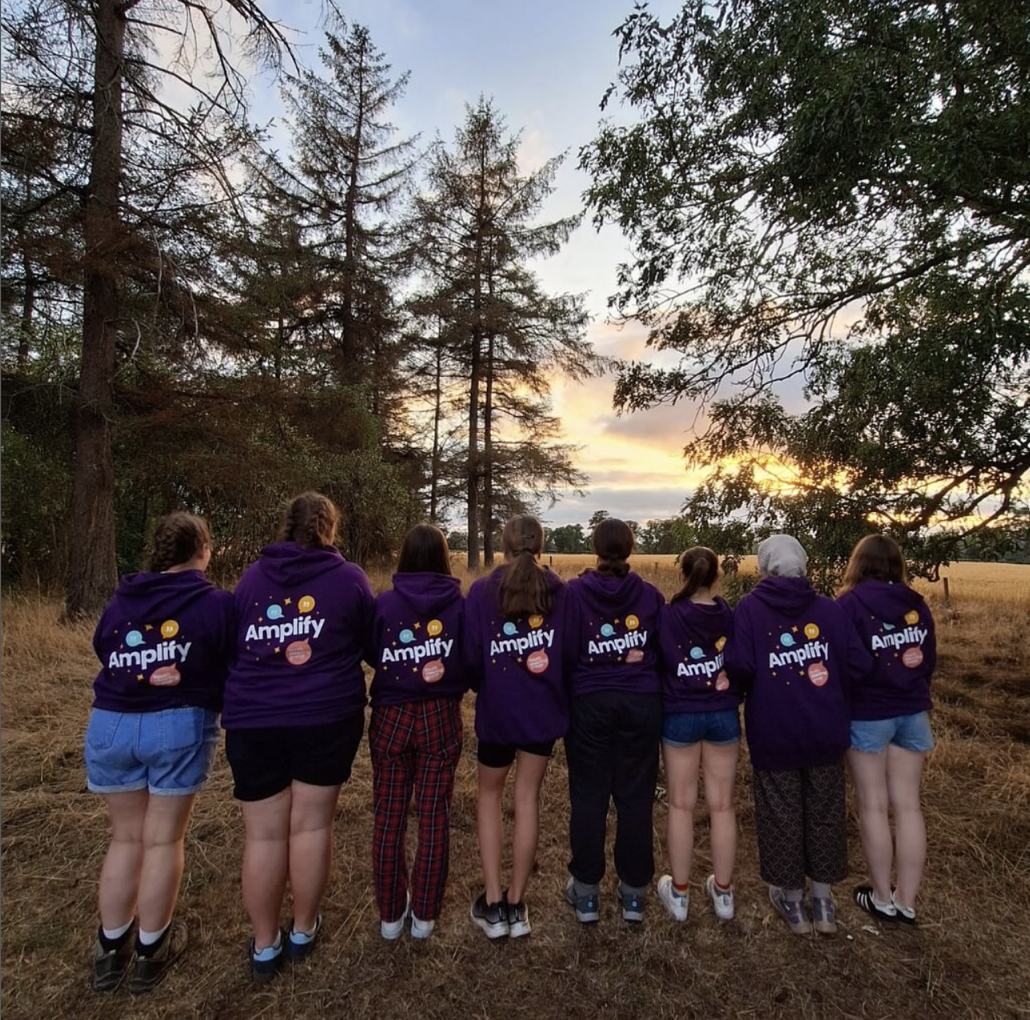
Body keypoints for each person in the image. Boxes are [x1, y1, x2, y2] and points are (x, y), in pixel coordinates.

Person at [222, 492, 373, 981]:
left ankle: (265, 944)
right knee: (310, 827)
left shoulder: (251, 578)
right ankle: (303, 930)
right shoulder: (349, 579)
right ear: (330, 528)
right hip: (325, 716)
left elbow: (233, 645)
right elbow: (369, 642)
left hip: (254, 719)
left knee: (263, 835)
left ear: (285, 525)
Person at [86, 512, 233, 993]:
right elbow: (228, 660)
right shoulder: (215, 604)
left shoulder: (123, 600)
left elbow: (104, 647)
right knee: (163, 840)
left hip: (110, 723)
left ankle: (110, 950)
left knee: (126, 838)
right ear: (203, 550)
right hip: (176, 724)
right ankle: (151, 950)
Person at [725, 535, 872, 936]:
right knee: (825, 813)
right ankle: (823, 903)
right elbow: (859, 664)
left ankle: (792, 903)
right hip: (826, 728)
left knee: (781, 814)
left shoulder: (749, 608)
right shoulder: (830, 608)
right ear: (803, 565)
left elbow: (740, 664)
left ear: (764, 567)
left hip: (774, 729)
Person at [464, 515, 571, 939]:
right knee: (528, 799)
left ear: (503, 544)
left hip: (497, 712)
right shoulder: (560, 591)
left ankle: (492, 905)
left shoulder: (481, 591)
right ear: (540, 545)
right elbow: (568, 653)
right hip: (541, 713)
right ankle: (516, 903)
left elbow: (472, 656)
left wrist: (487, 685)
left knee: (489, 798)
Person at [368, 524, 468, 941]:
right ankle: (425, 915)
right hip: (440, 715)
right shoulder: (459, 605)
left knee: (389, 816)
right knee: (433, 815)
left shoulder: (385, 603)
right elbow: (468, 658)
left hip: (391, 714)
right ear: (444, 557)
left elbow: (372, 652)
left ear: (405, 556)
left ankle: (390, 916)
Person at [564, 518, 664, 924]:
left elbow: (566, 649)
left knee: (589, 796)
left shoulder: (574, 594)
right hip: (641, 703)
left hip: (589, 703)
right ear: (630, 549)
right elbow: (661, 649)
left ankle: (586, 894)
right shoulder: (650, 595)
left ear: (595, 548)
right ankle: (633, 895)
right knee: (636, 797)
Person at [838, 534, 936, 926]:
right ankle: (906, 901)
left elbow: (848, 663)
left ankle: (881, 897)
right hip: (912, 711)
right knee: (909, 805)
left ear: (858, 563)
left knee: (873, 806)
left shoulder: (848, 604)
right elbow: (928, 659)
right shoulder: (917, 604)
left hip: (867, 715)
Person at [655, 547, 738, 923]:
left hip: (680, 715)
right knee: (722, 805)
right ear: (716, 576)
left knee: (680, 804)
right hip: (722, 713)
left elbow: (659, 659)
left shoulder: (668, 614)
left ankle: (680, 893)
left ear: (682, 576)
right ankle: (724, 894)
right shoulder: (728, 614)